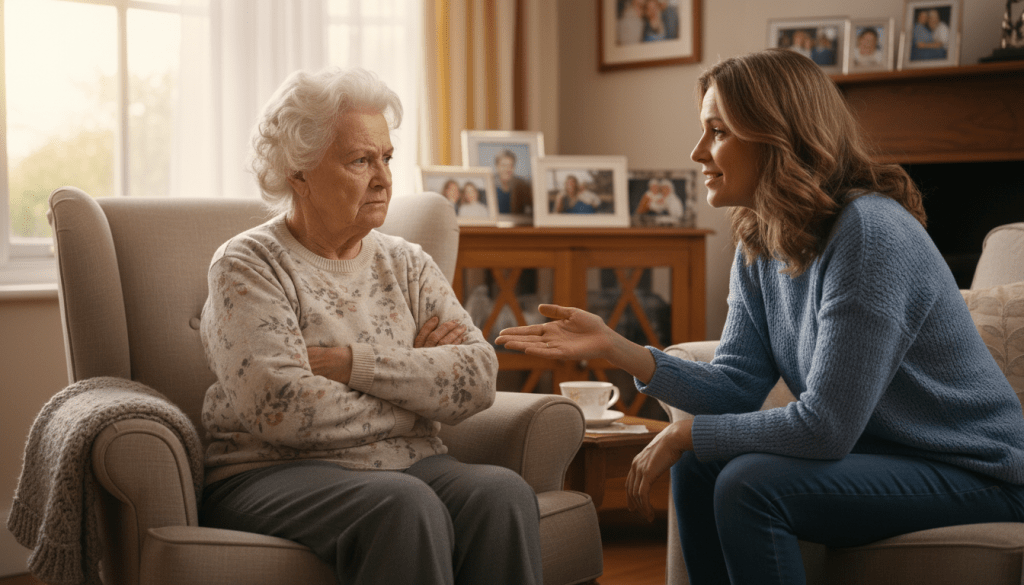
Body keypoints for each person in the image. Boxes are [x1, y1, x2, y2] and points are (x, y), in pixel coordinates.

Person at [495, 48, 1024, 585]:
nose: (698, 151)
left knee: (747, 482)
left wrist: (688, 434)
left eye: (718, 131)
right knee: (703, 465)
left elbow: (827, 429)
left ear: (779, 137)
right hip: (886, 458)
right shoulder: (760, 239)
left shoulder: (869, 232)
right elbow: (736, 386)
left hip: (978, 470)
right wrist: (614, 346)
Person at [198, 66, 543, 585]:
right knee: (404, 505)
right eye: (360, 160)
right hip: (268, 471)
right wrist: (418, 387)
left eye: (386, 157)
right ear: (299, 173)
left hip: (409, 464)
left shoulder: (408, 263)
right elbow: (280, 409)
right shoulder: (248, 264)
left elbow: (477, 377)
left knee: (503, 494)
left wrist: (347, 365)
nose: (383, 177)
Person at [493, 149, 532, 215]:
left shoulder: (522, 184)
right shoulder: (490, 184)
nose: (507, 169)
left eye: (511, 166)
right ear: (497, 166)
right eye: (503, 165)